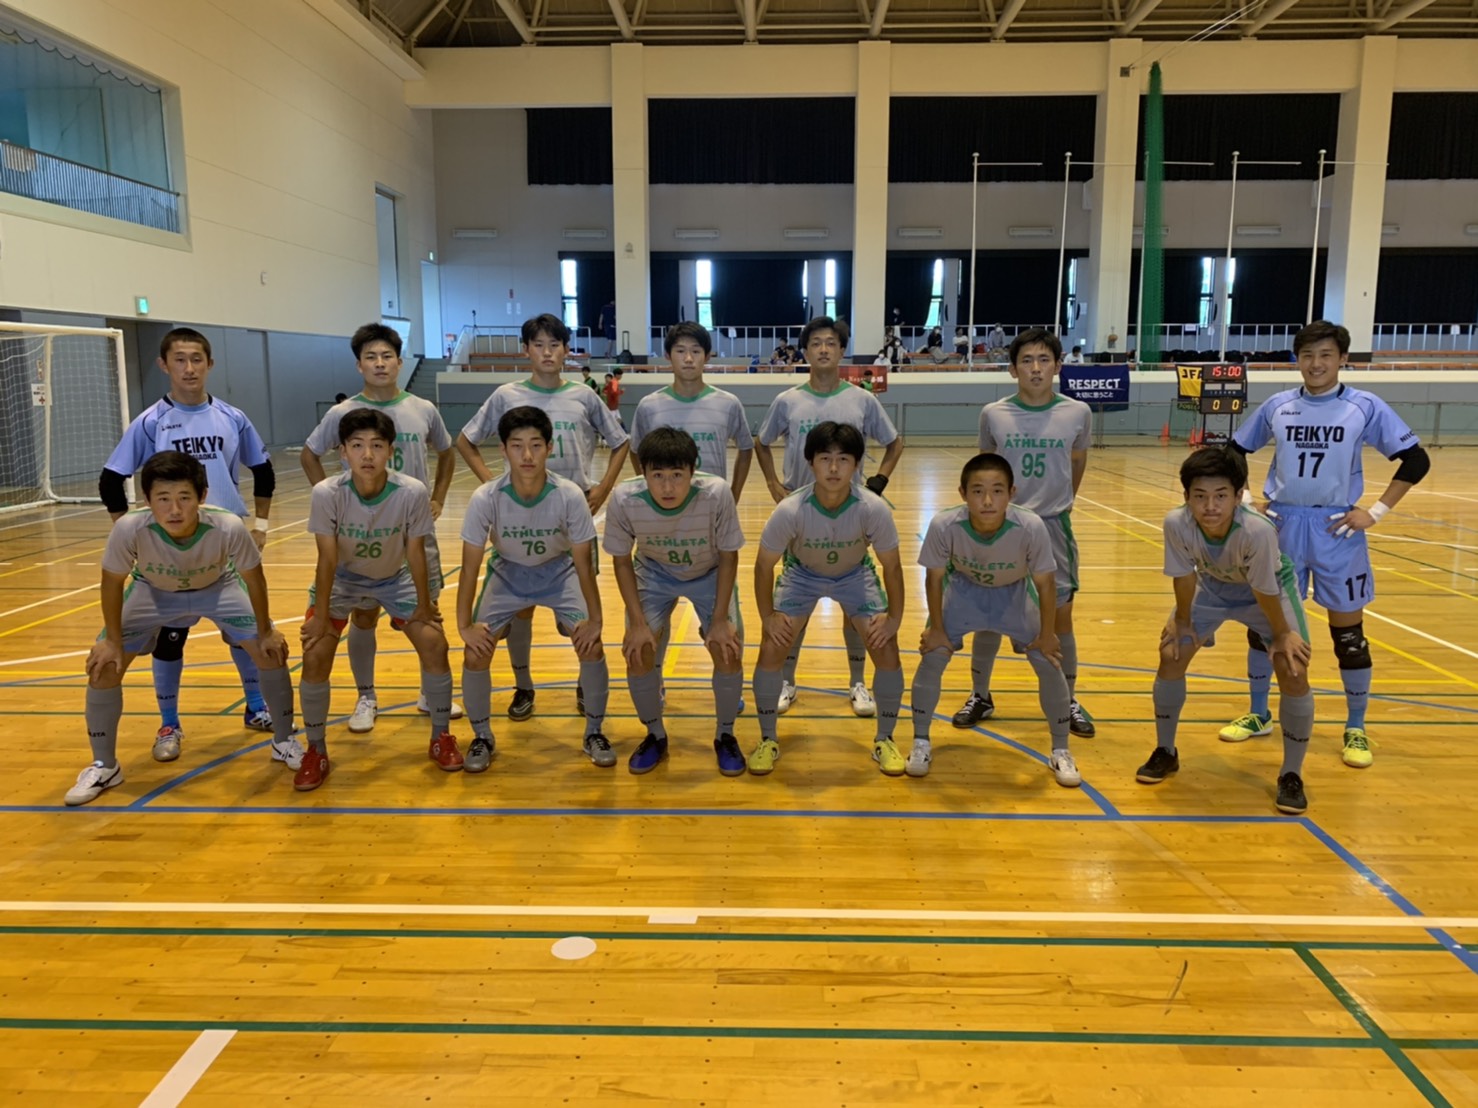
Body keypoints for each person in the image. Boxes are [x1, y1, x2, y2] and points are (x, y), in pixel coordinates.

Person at [1225, 320, 1431, 768]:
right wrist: (1248, 501)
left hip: (1337, 528)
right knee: (1266, 628)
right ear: (1297, 360)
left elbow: (1416, 459)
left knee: (1349, 636)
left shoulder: (1364, 406)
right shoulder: (1279, 406)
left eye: (1325, 355)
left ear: (1342, 359)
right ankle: (1259, 714)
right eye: (1307, 355)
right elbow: (1234, 450)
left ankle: (1355, 727)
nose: (1315, 364)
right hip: (1282, 525)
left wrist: (1375, 512)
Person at [67, 452, 300, 806]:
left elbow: (255, 578)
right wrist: (112, 641)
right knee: (103, 666)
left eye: (184, 498)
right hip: (152, 591)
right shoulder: (129, 528)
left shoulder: (227, 526)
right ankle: (105, 766)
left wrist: (266, 630)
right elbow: (112, 582)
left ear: (202, 496)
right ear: (147, 500)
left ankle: (283, 741)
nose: (174, 509)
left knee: (271, 651)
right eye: (163, 499)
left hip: (218, 587)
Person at [98, 327, 278, 763]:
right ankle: (169, 723)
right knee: (169, 639)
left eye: (197, 359)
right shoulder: (150, 421)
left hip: (222, 545)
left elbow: (263, 469)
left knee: (243, 635)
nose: (189, 368)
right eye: (179, 359)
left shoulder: (232, 417)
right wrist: (133, 534)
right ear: (164, 365)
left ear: (210, 364)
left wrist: (260, 526)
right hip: (168, 549)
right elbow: (110, 479)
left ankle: (256, 707)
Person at [456, 314, 629, 721]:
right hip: (518, 515)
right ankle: (523, 685)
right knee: (521, 610)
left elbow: (621, 442)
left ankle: (586, 684)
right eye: (539, 345)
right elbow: (465, 440)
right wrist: (494, 488)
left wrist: (603, 488)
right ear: (526, 350)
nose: (547, 352)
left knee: (578, 621)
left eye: (555, 345)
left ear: (567, 350)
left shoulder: (584, 396)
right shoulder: (507, 395)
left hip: (572, 513)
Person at [1135, 447, 1315, 814]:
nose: (1210, 506)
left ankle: (1291, 773)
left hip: (1268, 592)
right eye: (1200, 496)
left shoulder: (1257, 530)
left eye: (1220, 496)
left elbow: (1264, 589)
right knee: (1171, 653)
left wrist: (1281, 634)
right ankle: (1166, 751)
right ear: (1186, 497)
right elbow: (1184, 575)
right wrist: (1182, 620)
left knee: (1293, 668)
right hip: (1212, 587)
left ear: (1238, 495)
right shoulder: (1176, 523)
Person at [301, 323, 461, 734]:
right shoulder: (341, 413)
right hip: (362, 533)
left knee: (426, 614)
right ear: (359, 365)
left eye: (386, 356)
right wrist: (334, 506)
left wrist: (438, 497)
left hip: (412, 529)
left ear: (399, 362)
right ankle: (366, 696)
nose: (379, 363)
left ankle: (429, 692)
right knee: (363, 616)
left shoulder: (423, 408)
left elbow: (447, 452)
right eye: (370, 357)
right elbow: (309, 454)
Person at [294, 409, 459, 789]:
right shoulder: (327, 493)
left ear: (390, 451)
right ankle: (315, 749)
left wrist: (423, 604)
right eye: (357, 446)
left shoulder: (411, 492)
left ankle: (441, 736)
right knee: (315, 653)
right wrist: (321, 617)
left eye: (376, 446)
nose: (367, 454)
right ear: (342, 452)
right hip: (343, 581)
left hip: (394, 578)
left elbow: (415, 551)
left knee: (435, 643)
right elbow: (326, 559)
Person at [754, 316, 904, 719]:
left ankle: (857, 682)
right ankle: (787, 680)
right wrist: (773, 483)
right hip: (801, 517)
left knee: (856, 604)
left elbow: (894, 442)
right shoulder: (788, 400)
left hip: (850, 513)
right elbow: (761, 442)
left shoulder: (861, 400)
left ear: (841, 350)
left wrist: (879, 481)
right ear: (805, 352)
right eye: (816, 343)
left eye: (831, 343)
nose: (823, 349)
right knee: (795, 604)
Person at [456, 406, 613, 771]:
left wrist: (596, 620)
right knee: (476, 652)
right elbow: (470, 566)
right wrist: (464, 625)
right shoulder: (486, 497)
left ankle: (593, 732)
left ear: (549, 447)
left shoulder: (569, 495)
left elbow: (583, 563)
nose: (527, 455)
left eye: (536, 445)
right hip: (508, 573)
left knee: (591, 645)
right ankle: (482, 737)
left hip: (559, 570)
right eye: (517, 446)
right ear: (503, 450)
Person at [957, 329, 1095, 739]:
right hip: (1002, 526)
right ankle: (980, 694)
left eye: (1044, 360)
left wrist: (1063, 500)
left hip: (1052, 525)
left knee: (1061, 616)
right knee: (987, 612)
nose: (1036, 368)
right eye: (1027, 361)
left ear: (1058, 366)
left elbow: (1078, 460)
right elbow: (987, 468)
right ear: (1013, 369)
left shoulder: (1078, 412)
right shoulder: (994, 414)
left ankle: (1067, 699)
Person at [909, 453, 1078, 786]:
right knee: (932, 656)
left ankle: (1061, 749)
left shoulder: (1030, 525)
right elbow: (934, 578)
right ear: (962, 493)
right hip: (964, 592)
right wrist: (937, 629)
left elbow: (1046, 584)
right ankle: (920, 742)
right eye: (977, 491)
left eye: (997, 491)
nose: (987, 501)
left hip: (1014, 595)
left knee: (1048, 661)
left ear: (1012, 492)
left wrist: (1047, 634)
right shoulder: (944, 524)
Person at [749, 422, 906, 777]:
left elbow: (893, 568)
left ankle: (885, 739)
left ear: (857, 464)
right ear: (810, 462)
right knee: (772, 646)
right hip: (802, 575)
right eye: (825, 459)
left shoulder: (872, 508)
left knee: (885, 647)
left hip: (854, 575)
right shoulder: (790, 509)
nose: (834, 468)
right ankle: (767, 739)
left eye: (843, 459)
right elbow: (763, 566)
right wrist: (768, 616)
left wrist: (894, 619)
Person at [604, 427, 746, 776]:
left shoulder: (717, 493)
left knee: (728, 648)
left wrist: (719, 621)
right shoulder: (624, 498)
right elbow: (621, 561)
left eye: (677, 476)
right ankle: (655, 734)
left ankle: (725, 735)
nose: (668, 487)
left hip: (709, 571)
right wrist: (638, 624)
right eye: (658, 476)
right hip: (653, 573)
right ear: (643, 473)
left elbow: (729, 556)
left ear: (693, 472)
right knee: (638, 650)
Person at [629, 322, 753, 496]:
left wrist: (734, 494)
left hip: (713, 503)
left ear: (707, 356)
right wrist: (651, 487)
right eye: (680, 351)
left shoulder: (728, 403)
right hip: (666, 503)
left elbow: (746, 448)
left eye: (696, 351)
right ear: (667, 355)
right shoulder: (648, 406)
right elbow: (635, 451)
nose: (688, 358)